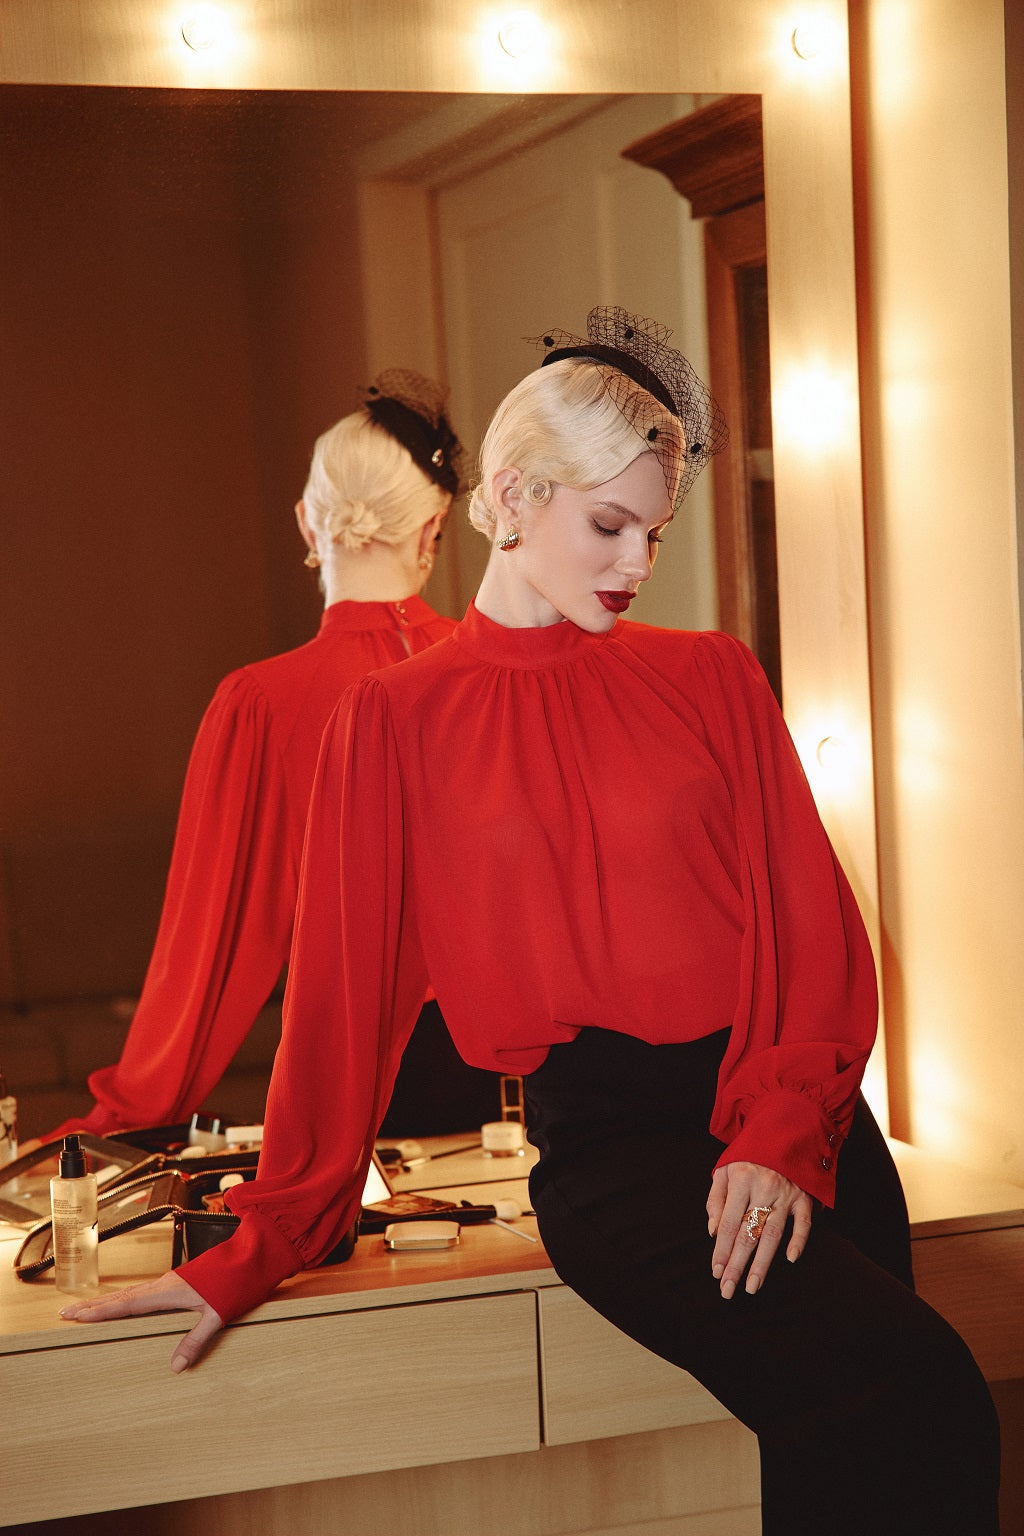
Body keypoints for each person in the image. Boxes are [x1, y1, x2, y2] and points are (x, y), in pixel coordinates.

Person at [63, 309, 1000, 1534]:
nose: (633, 561)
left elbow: (809, 925)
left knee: (852, 1451)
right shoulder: (389, 724)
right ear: (509, 495)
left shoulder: (710, 674)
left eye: (652, 532)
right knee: (913, 1396)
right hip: (619, 1157)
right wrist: (264, 1234)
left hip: (792, 1124)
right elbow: (344, 1002)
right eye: (607, 524)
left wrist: (779, 1129)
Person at [40, 370, 497, 1144]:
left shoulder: (260, 703)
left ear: (308, 526)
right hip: (517, 1074)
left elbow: (209, 947)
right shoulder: (492, 672)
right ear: (432, 528)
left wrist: (126, 1114)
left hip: (347, 1072)